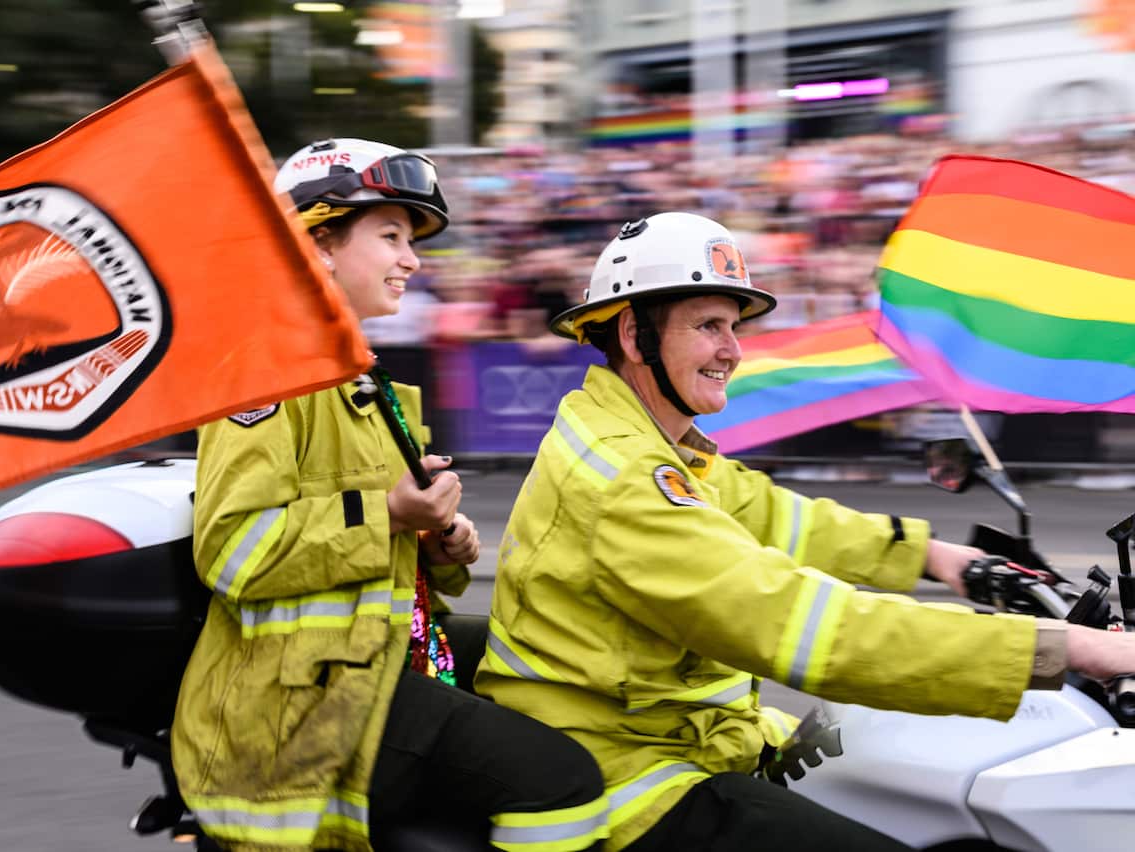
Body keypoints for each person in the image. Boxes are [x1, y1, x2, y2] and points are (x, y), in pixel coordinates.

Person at [474, 211, 1135, 851]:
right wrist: (1065, 651)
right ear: (633, 334)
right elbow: (809, 627)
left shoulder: (648, 443)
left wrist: (941, 558)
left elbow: (781, 517)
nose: (732, 351)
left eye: (734, 328)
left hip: (688, 739)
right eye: (708, 326)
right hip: (628, 783)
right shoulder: (623, 480)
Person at [171, 139, 607, 852]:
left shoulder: (365, 383)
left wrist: (439, 541)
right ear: (318, 247)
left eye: (411, 241)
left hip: (379, 655)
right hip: (307, 699)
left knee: (561, 650)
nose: (412, 260)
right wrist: (390, 514)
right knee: (562, 783)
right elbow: (231, 552)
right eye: (391, 236)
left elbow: (385, 559)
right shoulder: (261, 374)